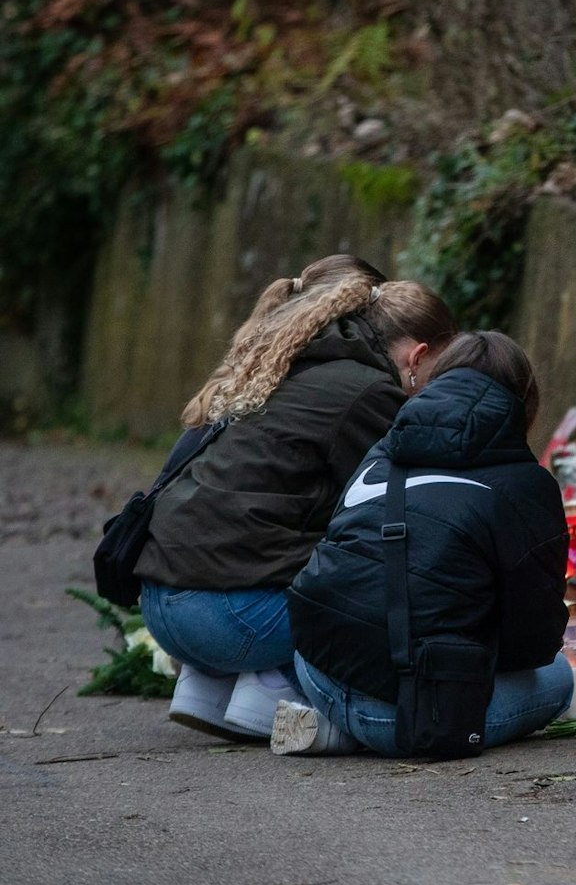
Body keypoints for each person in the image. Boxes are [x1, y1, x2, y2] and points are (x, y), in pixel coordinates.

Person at [138, 256, 459, 739]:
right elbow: (398, 518)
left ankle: (208, 686)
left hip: (162, 604)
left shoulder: (286, 366)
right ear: (417, 357)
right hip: (229, 619)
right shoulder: (369, 393)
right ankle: (272, 685)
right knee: (391, 584)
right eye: (441, 372)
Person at [278, 331, 573, 757]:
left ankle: (340, 726)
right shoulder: (527, 486)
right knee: (561, 678)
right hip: (425, 712)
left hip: (319, 671)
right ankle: (370, 730)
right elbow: (533, 643)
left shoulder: (384, 450)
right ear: (525, 401)